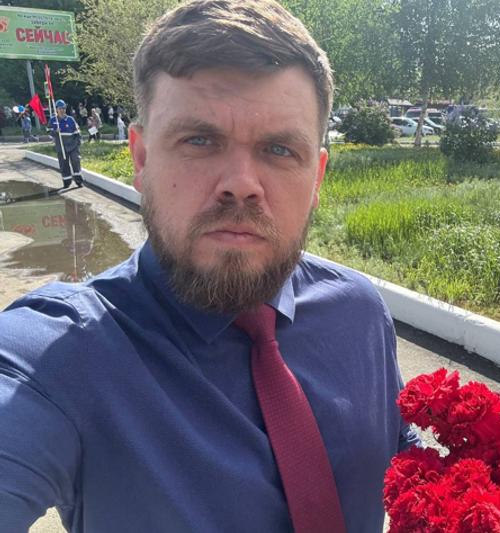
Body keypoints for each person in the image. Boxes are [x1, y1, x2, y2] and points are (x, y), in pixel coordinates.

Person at [0, 1, 417, 532]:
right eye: (199, 140)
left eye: (279, 149)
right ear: (142, 160)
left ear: (316, 177)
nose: (241, 184)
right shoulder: (59, 358)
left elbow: (399, 448)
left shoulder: (359, 314)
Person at [47, 99, 84, 188]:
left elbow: (77, 132)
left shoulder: (70, 119)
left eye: (63, 108)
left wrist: (78, 143)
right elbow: (48, 131)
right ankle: (67, 181)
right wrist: (55, 131)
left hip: (72, 145)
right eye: (60, 108)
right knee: (64, 164)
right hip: (61, 147)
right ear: (56, 109)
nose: (62, 110)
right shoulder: (53, 120)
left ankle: (78, 180)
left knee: (75, 161)